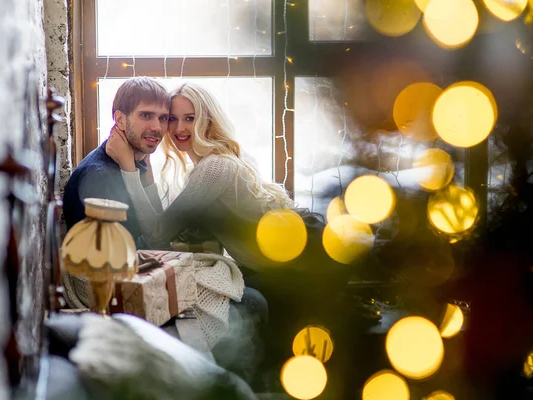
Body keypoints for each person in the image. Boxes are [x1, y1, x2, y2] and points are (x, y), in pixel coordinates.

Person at [107, 83, 352, 378]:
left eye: (190, 118)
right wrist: (144, 164)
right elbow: (171, 221)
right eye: (173, 118)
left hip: (302, 262)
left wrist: (128, 167)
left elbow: (158, 230)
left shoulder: (215, 168)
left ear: (207, 120)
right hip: (281, 260)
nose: (179, 127)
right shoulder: (209, 163)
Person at [63, 77, 171, 242]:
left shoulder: (138, 164)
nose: (157, 127)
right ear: (120, 119)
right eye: (146, 115)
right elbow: (156, 243)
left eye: (163, 118)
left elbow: (160, 231)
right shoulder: (101, 177)